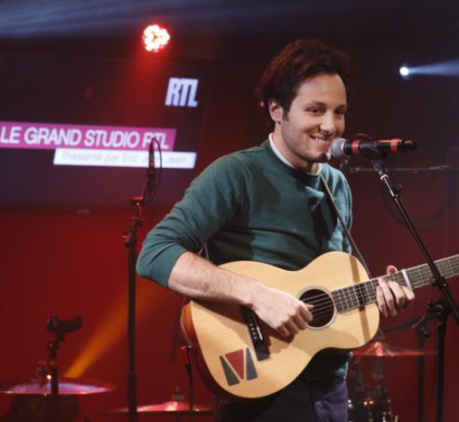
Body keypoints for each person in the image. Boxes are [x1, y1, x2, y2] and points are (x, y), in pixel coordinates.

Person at [136, 38, 415, 422]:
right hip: (262, 387)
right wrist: (257, 296)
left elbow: (332, 287)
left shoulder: (337, 184)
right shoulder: (236, 174)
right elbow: (155, 253)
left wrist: (378, 297)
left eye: (339, 112)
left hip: (331, 389)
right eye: (315, 110)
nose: (331, 126)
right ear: (275, 110)